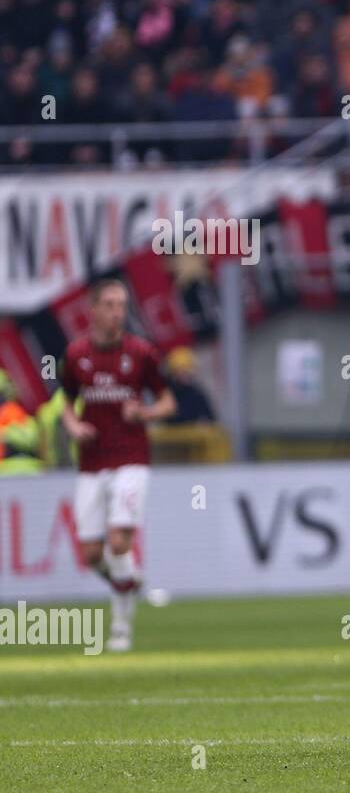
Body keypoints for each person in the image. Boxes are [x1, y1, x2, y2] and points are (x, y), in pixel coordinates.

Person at [59, 279, 177, 651]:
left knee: (118, 541)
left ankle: (121, 628)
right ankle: (128, 580)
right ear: (92, 310)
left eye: (121, 305)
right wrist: (75, 426)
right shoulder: (76, 355)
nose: (116, 312)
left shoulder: (142, 353)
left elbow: (168, 402)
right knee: (93, 555)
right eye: (109, 304)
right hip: (92, 463)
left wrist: (143, 412)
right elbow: (65, 402)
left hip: (131, 457)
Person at [163, 346, 217, 423]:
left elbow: (211, 418)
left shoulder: (197, 394)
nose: (185, 375)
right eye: (181, 371)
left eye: (188, 370)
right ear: (173, 373)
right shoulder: (167, 394)